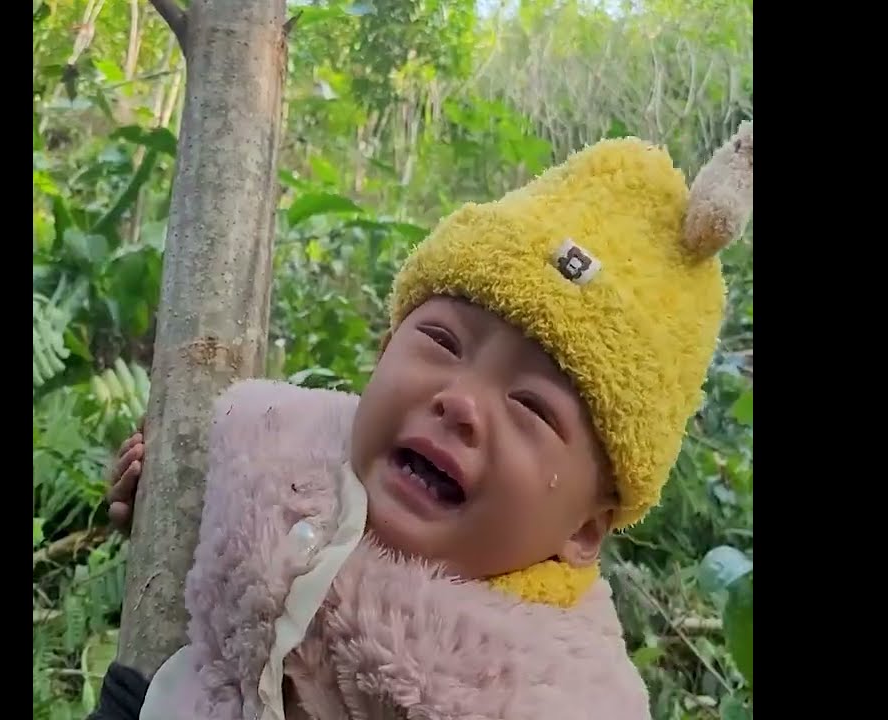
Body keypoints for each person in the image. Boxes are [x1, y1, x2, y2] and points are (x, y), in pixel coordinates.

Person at [89, 122, 753, 720]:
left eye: (530, 406)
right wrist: (163, 506)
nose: (460, 402)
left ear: (584, 529)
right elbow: (225, 534)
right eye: (442, 341)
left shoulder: (552, 692)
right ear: (382, 356)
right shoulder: (276, 447)